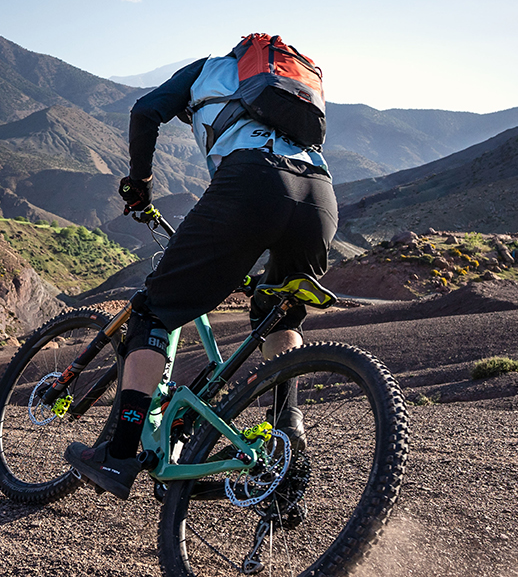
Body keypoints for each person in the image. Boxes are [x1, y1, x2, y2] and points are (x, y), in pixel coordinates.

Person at [65, 35, 336, 500]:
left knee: (154, 311)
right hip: (321, 197)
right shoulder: (291, 89)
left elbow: (145, 111)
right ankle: (290, 451)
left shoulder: (208, 68)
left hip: (252, 184)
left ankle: (120, 453)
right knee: (280, 315)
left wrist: (141, 183)